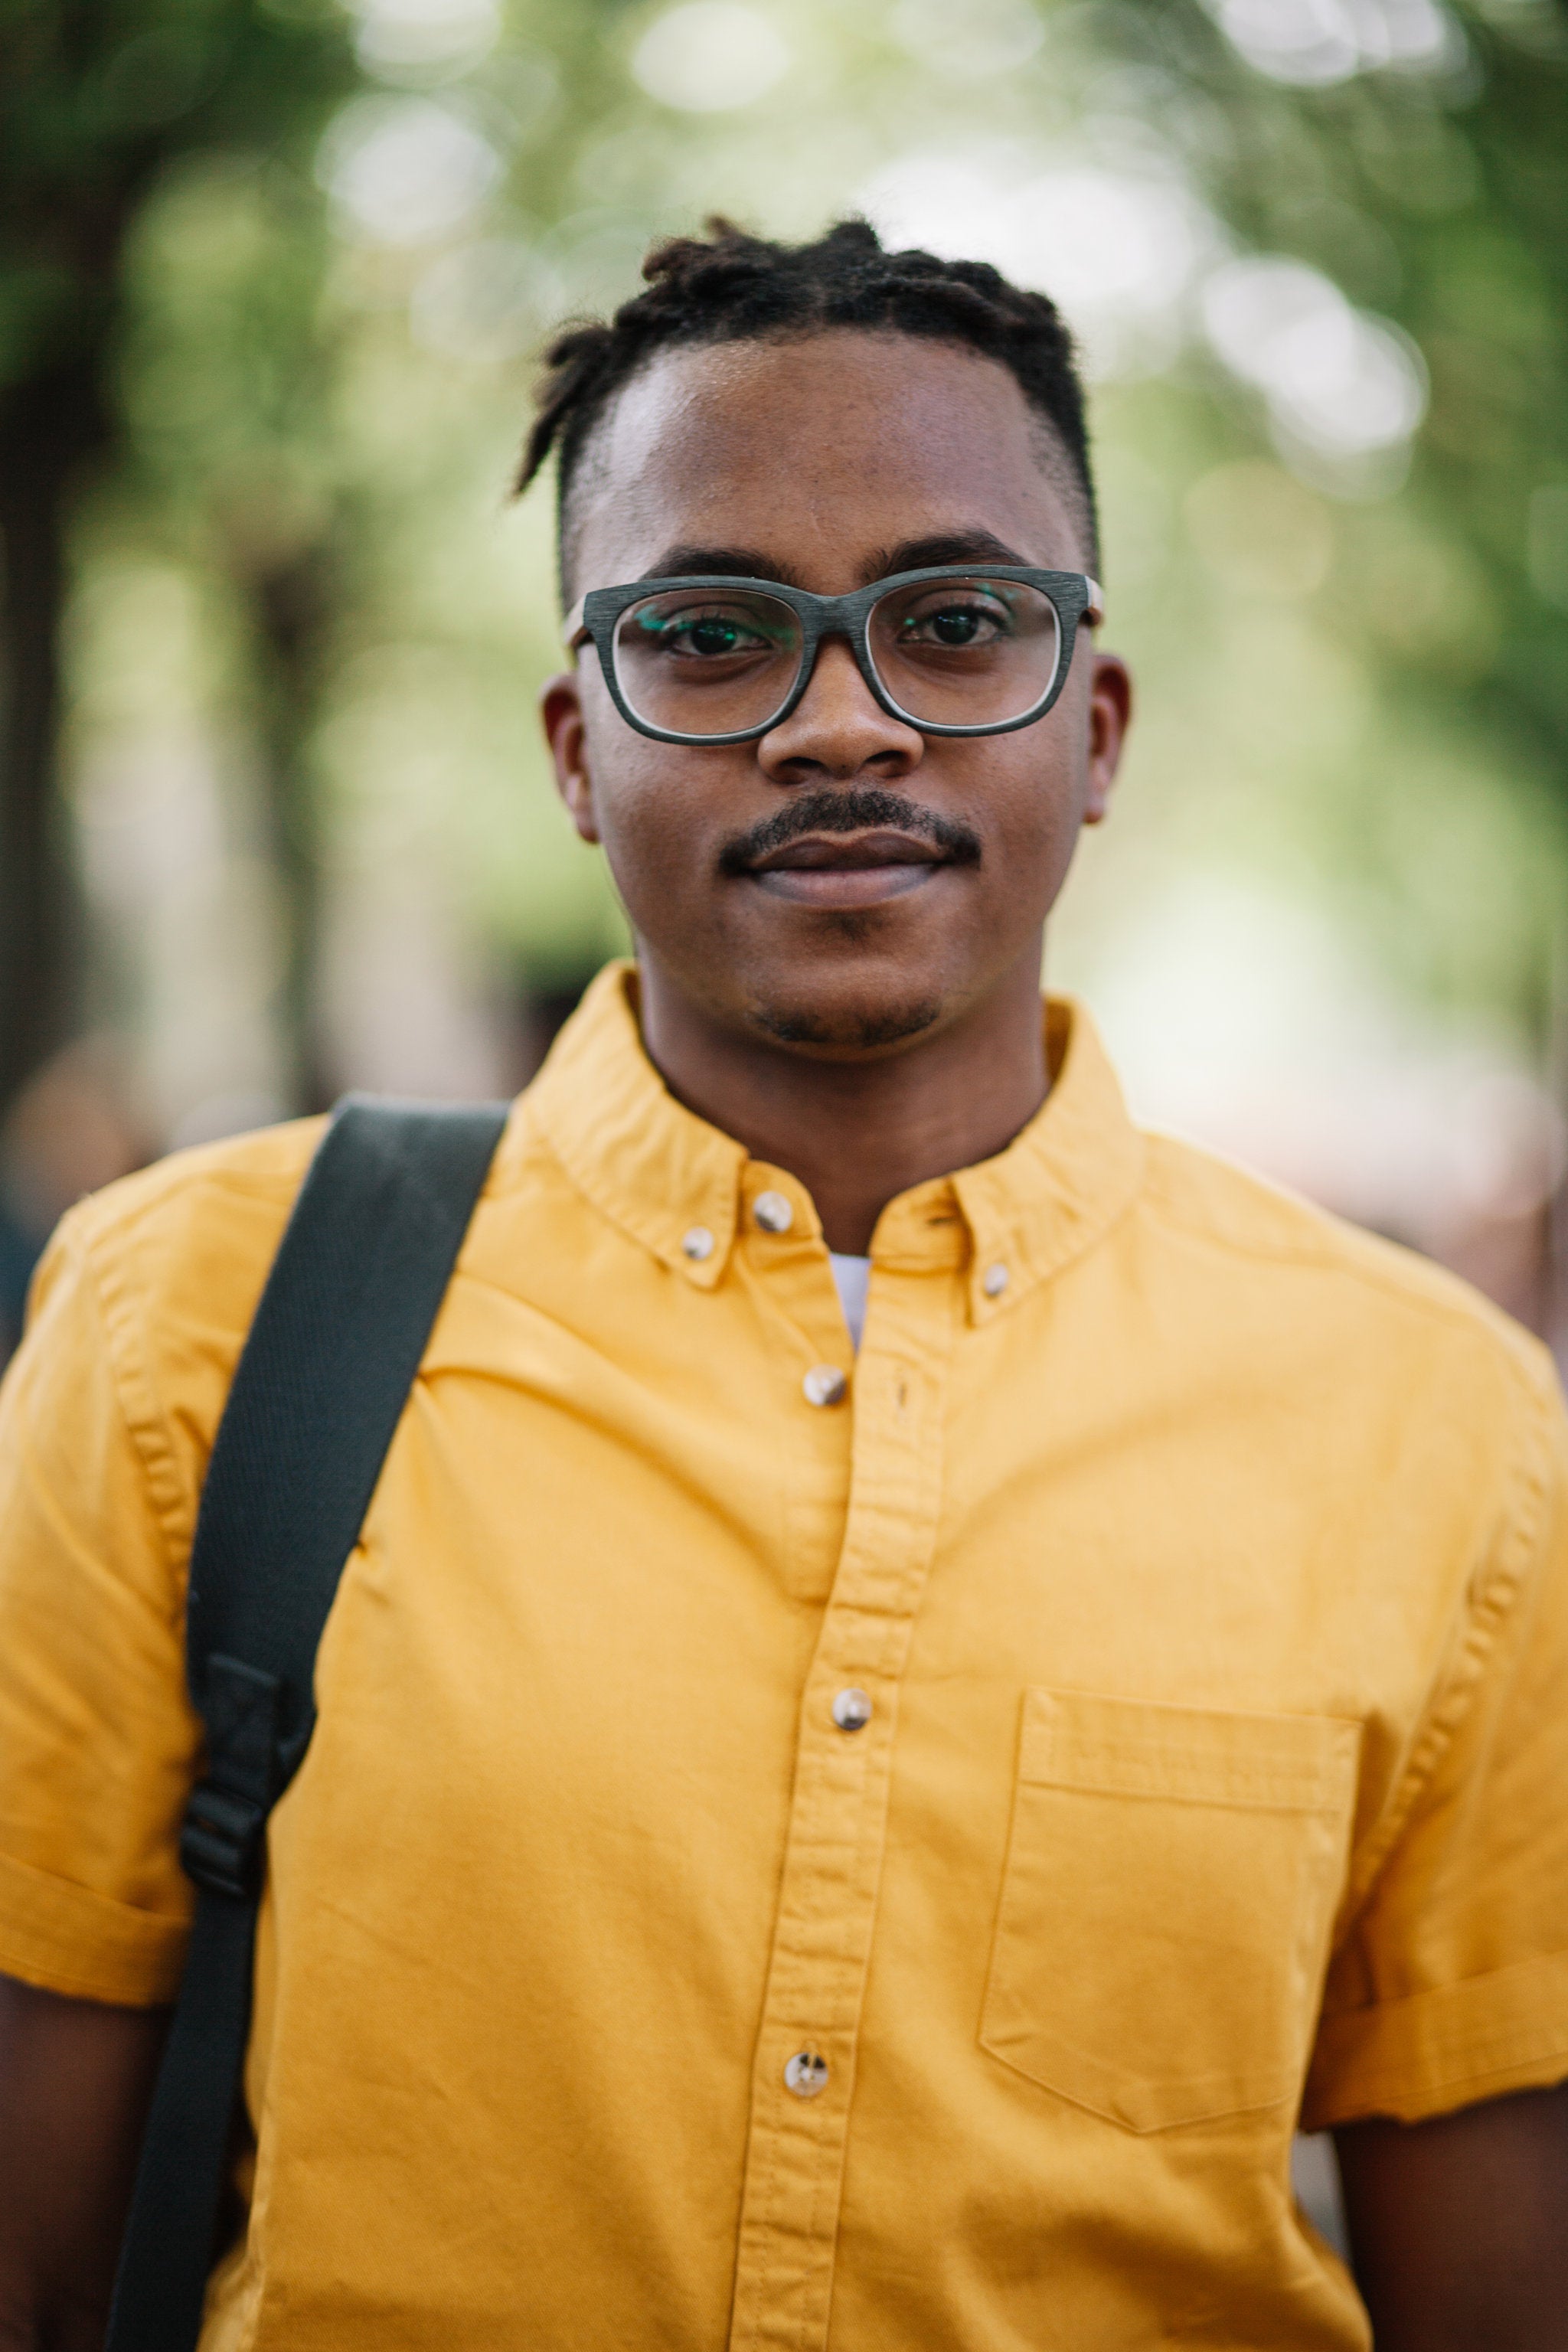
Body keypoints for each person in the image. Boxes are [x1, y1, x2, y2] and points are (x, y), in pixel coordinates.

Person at [2, 217, 1566, 2352]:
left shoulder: (1441, 1432)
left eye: (954, 623)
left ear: (1091, 730)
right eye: (715, 636)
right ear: (577, 749)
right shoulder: (185, 1321)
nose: (844, 724)